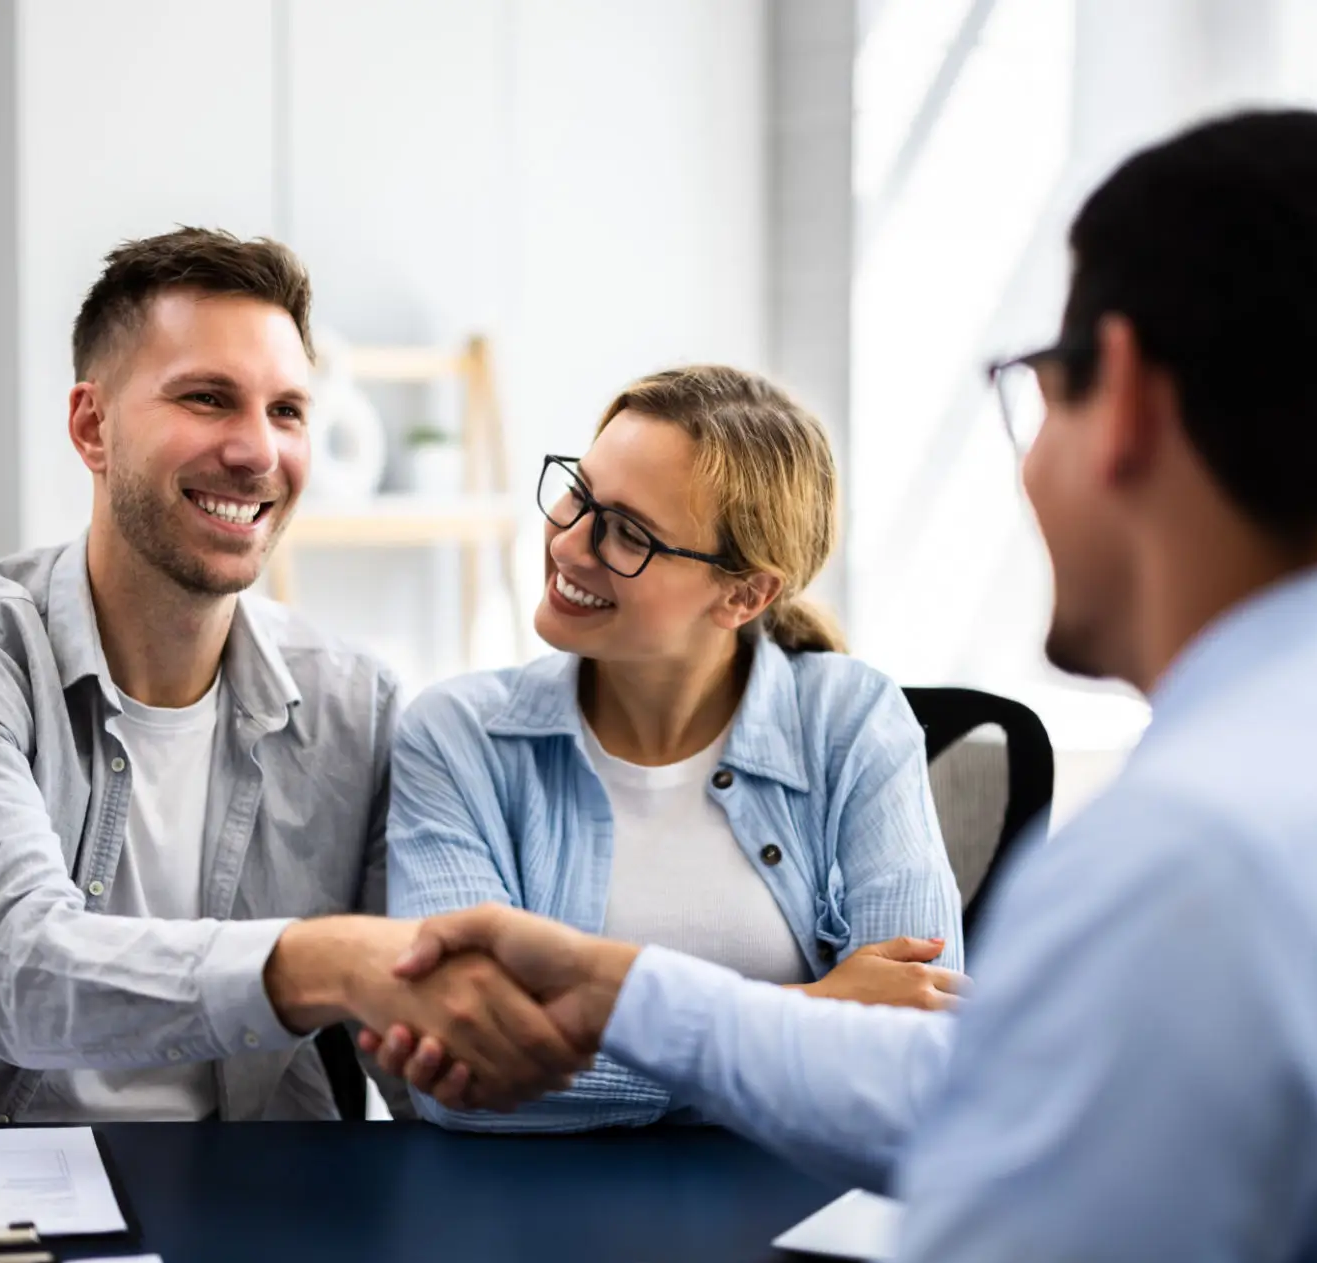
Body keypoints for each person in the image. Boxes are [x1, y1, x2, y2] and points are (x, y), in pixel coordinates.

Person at [371, 110, 1317, 1263]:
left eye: (1034, 389)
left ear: (1117, 400)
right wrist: (626, 995)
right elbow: (985, 1094)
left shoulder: (1194, 870)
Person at [0, 228, 585, 1124]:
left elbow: (426, 1066)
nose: (258, 452)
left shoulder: (354, 704)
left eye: (289, 411)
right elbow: (15, 971)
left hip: (247, 1211)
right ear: (91, 426)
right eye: (208, 399)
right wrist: (325, 962)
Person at [386, 365, 964, 1131]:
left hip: (794, 1217)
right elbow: (458, 1071)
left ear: (745, 594)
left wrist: (598, 1049)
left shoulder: (853, 721)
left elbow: (917, 1055)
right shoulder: (457, 737)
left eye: (628, 533)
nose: (569, 542)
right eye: (578, 494)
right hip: (530, 1214)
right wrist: (816, 1011)